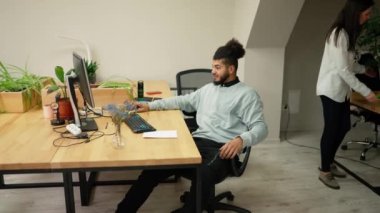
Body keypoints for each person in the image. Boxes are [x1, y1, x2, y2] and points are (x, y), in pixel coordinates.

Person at [115, 38, 268, 212]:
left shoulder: (247, 95)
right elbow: (182, 100)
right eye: (213, 67)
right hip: (196, 143)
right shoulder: (208, 89)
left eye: (218, 68)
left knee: (203, 174)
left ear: (231, 69)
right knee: (153, 169)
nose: (213, 72)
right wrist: (150, 105)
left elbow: (261, 128)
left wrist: (241, 139)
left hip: (223, 150)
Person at [316, 0, 377, 190]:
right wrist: (366, 92)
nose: (369, 17)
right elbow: (343, 70)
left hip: (341, 92)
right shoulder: (338, 34)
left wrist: (363, 69)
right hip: (330, 90)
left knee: (343, 127)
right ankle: (324, 170)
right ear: (355, 13)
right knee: (332, 130)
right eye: (366, 14)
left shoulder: (348, 35)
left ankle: (329, 161)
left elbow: (348, 65)